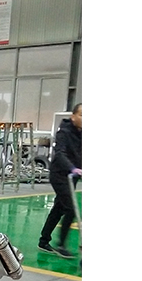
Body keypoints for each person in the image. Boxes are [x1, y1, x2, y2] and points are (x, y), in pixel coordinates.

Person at [38, 103, 82, 258]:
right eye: (82, 115)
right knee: (70, 208)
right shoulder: (64, 132)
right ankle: (61, 244)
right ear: (73, 116)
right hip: (60, 175)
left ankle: (44, 241)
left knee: (59, 208)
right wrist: (72, 167)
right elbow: (60, 153)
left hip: (73, 176)